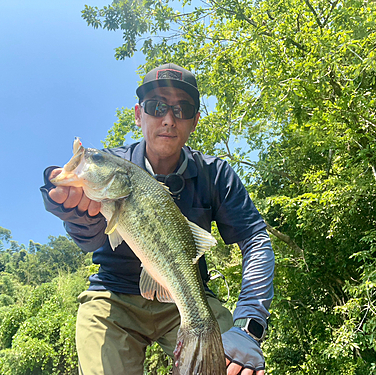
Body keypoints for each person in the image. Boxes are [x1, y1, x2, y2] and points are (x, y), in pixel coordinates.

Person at [41, 63, 274, 375]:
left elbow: (256, 240)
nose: (168, 119)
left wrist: (248, 324)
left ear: (195, 121)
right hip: (111, 297)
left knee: (230, 368)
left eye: (182, 109)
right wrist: (77, 215)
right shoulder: (114, 166)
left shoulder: (215, 175)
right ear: (139, 115)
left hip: (188, 297)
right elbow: (90, 238)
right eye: (156, 107)